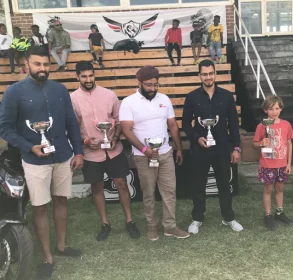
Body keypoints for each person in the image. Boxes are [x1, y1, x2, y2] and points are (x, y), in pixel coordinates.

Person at [0, 46, 84, 279]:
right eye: (37, 64)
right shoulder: (13, 92)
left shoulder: (59, 90)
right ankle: (47, 256)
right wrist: (29, 146)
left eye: (46, 64)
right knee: (40, 206)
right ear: (27, 64)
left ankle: (62, 246)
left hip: (63, 156)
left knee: (61, 200)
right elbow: (4, 127)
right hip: (33, 160)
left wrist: (78, 151)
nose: (42, 69)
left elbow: (71, 124)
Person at [70, 61, 140, 241]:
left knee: (122, 184)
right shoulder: (72, 99)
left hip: (113, 150)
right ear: (77, 76)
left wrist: (115, 138)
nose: (88, 79)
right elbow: (70, 128)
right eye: (84, 76)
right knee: (97, 187)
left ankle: (130, 221)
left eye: (91, 75)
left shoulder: (109, 95)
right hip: (91, 153)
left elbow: (119, 120)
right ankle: (105, 223)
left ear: (94, 75)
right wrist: (84, 140)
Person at [120, 65, 190, 241]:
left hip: (165, 153)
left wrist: (179, 147)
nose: (153, 88)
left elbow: (172, 125)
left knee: (169, 191)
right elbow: (127, 130)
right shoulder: (128, 102)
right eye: (149, 85)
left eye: (156, 85)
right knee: (149, 192)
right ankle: (152, 225)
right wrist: (144, 149)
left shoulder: (164, 99)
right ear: (140, 83)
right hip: (143, 156)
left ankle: (170, 226)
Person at [182, 59, 243, 234]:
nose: (208, 77)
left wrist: (236, 148)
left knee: (224, 184)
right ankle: (197, 218)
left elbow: (233, 124)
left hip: (222, 148)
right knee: (198, 185)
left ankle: (228, 217)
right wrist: (197, 138)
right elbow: (185, 124)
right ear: (199, 75)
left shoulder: (226, 96)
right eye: (204, 74)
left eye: (210, 73)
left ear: (215, 74)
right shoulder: (192, 97)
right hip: (200, 149)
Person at [252, 95, 293, 230]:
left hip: (282, 163)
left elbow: (289, 143)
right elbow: (254, 144)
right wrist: (260, 143)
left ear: (281, 109)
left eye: (276, 108)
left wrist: (289, 163)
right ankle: (268, 215)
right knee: (268, 189)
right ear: (265, 110)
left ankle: (279, 212)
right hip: (267, 163)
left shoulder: (286, 124)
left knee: (280, 188)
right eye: (271, 109)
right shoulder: (261, 126)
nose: (274, 112)